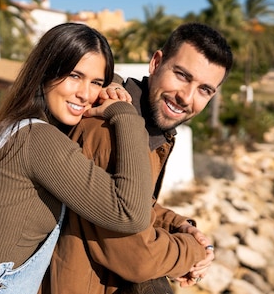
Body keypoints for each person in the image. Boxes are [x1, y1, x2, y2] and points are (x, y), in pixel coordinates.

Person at [0, 23, 153, 294]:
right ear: (45, 72)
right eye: (73, 76)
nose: (85, 94)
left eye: (95, 83)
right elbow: (130, 213)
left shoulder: (17, 126)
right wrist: (125, 114)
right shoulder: (38, 140)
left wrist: (110, 83)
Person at [44, 22, 234, 294]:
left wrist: (180, 226)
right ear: (156, 63)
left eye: (204, 89)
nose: (186, 97)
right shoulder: (108, 129)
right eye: (181, 75)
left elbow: (133, 204)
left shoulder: (155, 132)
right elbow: (135, 254)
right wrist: (194, 251)